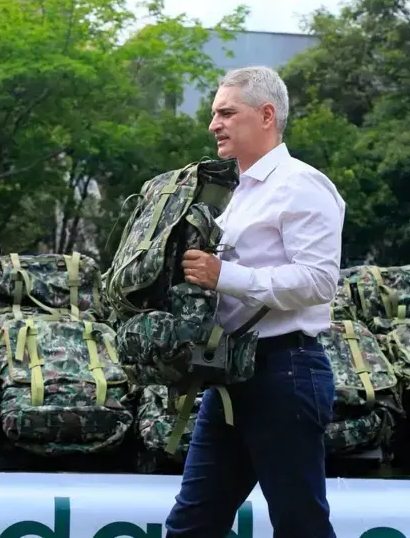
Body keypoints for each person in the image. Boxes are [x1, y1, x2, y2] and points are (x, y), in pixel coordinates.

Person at [164, 66, 346, 538]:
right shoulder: (228, 191)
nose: (214, 125)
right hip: (229, 374)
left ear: (267, 115)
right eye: (214, 114)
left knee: (299, 527)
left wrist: (224, 275)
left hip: (285, 371)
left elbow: (318, 281)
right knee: (191, 525)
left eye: (226, 113)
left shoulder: (302, 184)